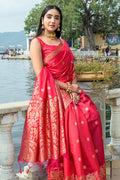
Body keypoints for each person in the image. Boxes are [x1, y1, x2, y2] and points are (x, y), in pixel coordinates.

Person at [18, 5, 106, 179]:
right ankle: (66, 173)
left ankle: (83, 171)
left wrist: (74, 89)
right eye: (49, 17)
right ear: (42, 20)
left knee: (92, 114)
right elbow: (41, 74)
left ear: (59, 23)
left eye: (56, 18)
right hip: (53, 93)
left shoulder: (63, 43)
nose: (52, 20)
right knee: (73, 123)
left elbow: (71, 69)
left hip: (70, 90)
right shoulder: (37, 42)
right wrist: (67, 88)